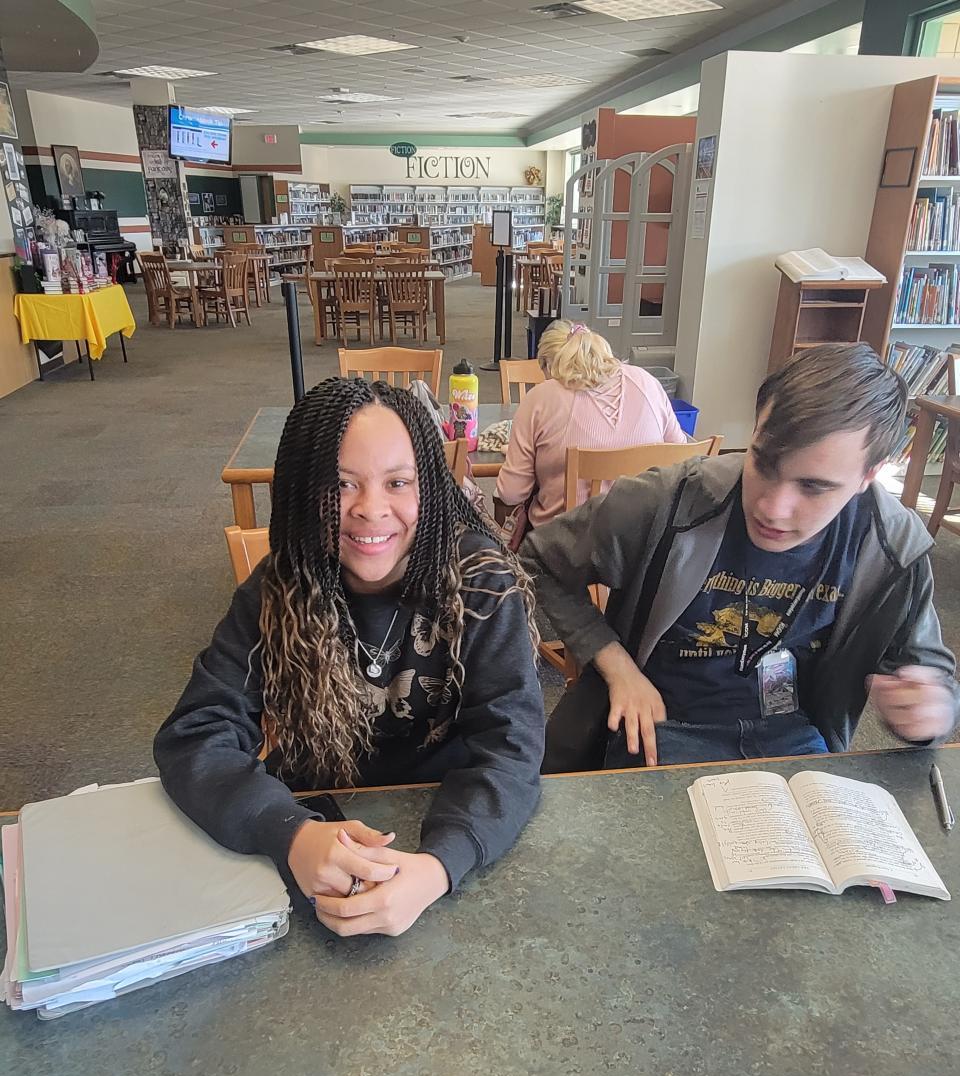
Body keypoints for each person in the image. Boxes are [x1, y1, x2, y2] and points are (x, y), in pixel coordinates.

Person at [155, 377, 544, 936]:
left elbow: (512, 745)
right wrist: (288, 831)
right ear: (303, 490)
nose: (371, 509)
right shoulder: (280, 590)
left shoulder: (481, 584)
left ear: (429, 488)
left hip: (452, 817)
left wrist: (440, 865)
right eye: (342, 485)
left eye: (398, 482)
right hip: (310, 819)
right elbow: (196, 734)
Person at [522, 342, 959, 772]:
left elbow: (928, 669)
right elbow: (537, 561)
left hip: (794, 737)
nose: (772, 508)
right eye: (763, 463)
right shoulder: (668, 499)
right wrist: (619, 669)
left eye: (813, 487)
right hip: (662, 726)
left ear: (869, 475)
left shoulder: (893, 545)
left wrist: (930, 709)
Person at [493, 320, 687, 530]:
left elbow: (510, 493)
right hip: (644, 538)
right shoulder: (648, 383)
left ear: (549, 365)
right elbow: (682, 456)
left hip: (564, 542)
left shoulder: (541, 397)